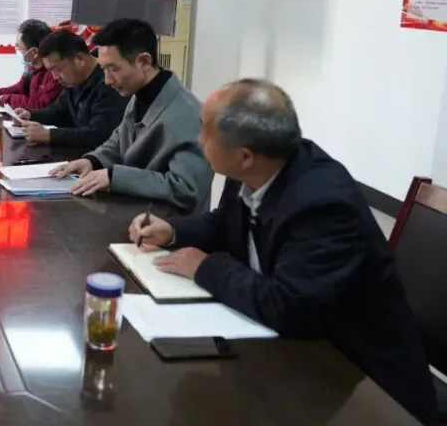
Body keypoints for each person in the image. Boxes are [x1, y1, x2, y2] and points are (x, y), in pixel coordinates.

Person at [129, 78, 437, 425]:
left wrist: (204, 267)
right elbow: (226, 223)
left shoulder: (323, 203)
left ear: (245, 156)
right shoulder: (257, 165)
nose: (199, 140)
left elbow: (288, 306)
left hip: (365, 386)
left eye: (205, 132)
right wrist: (173, 231)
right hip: (295, 357)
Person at [51, 18, 212, 214]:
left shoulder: (188, 115)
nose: (107, 80)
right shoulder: (141, 95)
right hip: (137, 215)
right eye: (103, 69)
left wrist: (115, 177)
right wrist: (92, 161)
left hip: (170, 226)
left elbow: (186, 189)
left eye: (114, 69)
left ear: (144, 61)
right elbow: (120, 140)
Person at [12, 28, 127, 150]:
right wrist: (30, 114)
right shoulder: (74, 79)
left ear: (79, 59)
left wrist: (50, 135)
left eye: (57, 69)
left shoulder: (109, 84)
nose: (55, 77)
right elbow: (58, 110)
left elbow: (98, 134)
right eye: (50, 71)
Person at [0, 19, 63, 110]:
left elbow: (42, 106)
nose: (17, 50)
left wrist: (7, 99)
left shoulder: (55, 73)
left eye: (19, 48)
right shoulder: (32, 67)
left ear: (34, 52)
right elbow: (19, 89)